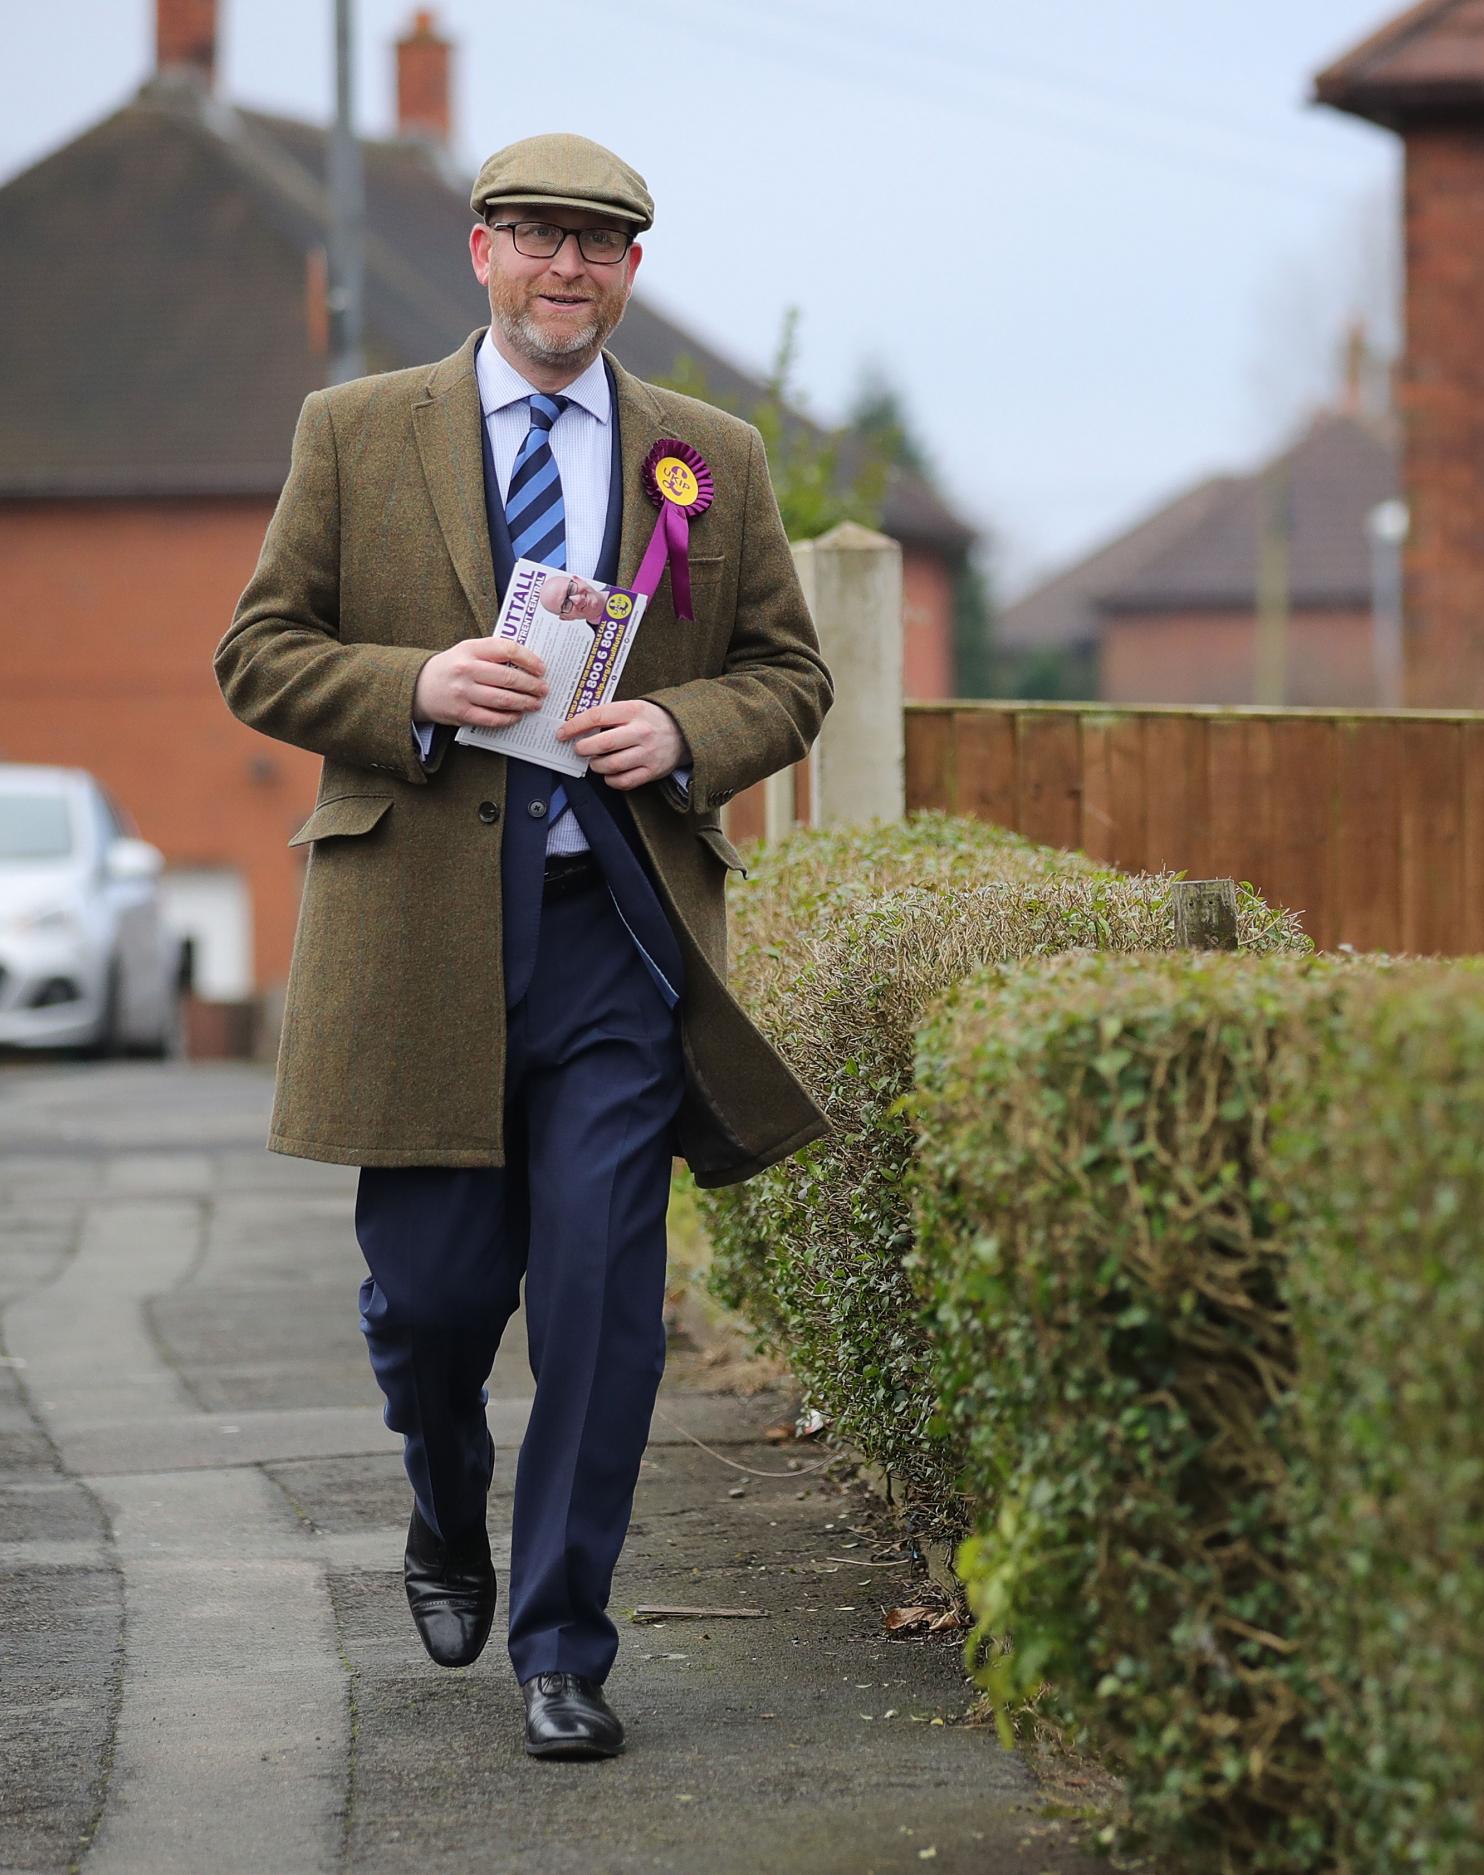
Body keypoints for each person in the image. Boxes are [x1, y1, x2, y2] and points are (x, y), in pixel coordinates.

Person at [213, 133, 832, 1760]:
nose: (570, 269)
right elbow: (259, 653)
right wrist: (412, 688)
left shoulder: (715, 458)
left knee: (603, 1312)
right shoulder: (353, 434)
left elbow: (789, 673)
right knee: (430, 1304)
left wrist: (682, 729)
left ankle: (565, 1644)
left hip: (611, 946)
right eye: (541, 240)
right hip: (416, 936)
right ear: (482, 252)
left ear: (631, 272)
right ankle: (441, 1507)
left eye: (602, 246)